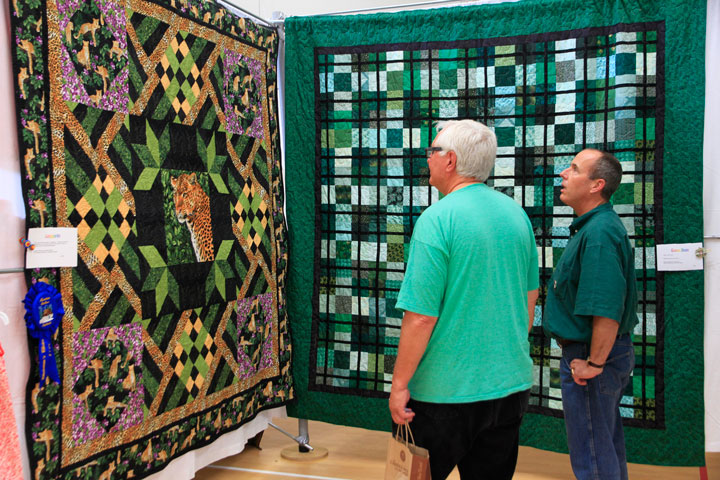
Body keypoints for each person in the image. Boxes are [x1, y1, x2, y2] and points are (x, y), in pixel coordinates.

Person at [388, 119, 539, 480]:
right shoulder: (517, 216)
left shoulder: (437, 220)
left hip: (443, 394)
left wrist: (399, 386)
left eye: (432, 151)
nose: (428, 158)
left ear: (450, 160)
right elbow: (529, 300)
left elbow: (421, 317)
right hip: (509, 388)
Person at [543, 149, 639, 480]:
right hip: (594, 354)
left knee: (593, 456)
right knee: (603, 445)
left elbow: (606, 309)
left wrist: (594, 364)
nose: (563, 174)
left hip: (592, 357)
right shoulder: (594, 228)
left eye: (573, 169)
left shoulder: (598, 233)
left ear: (597, 184)